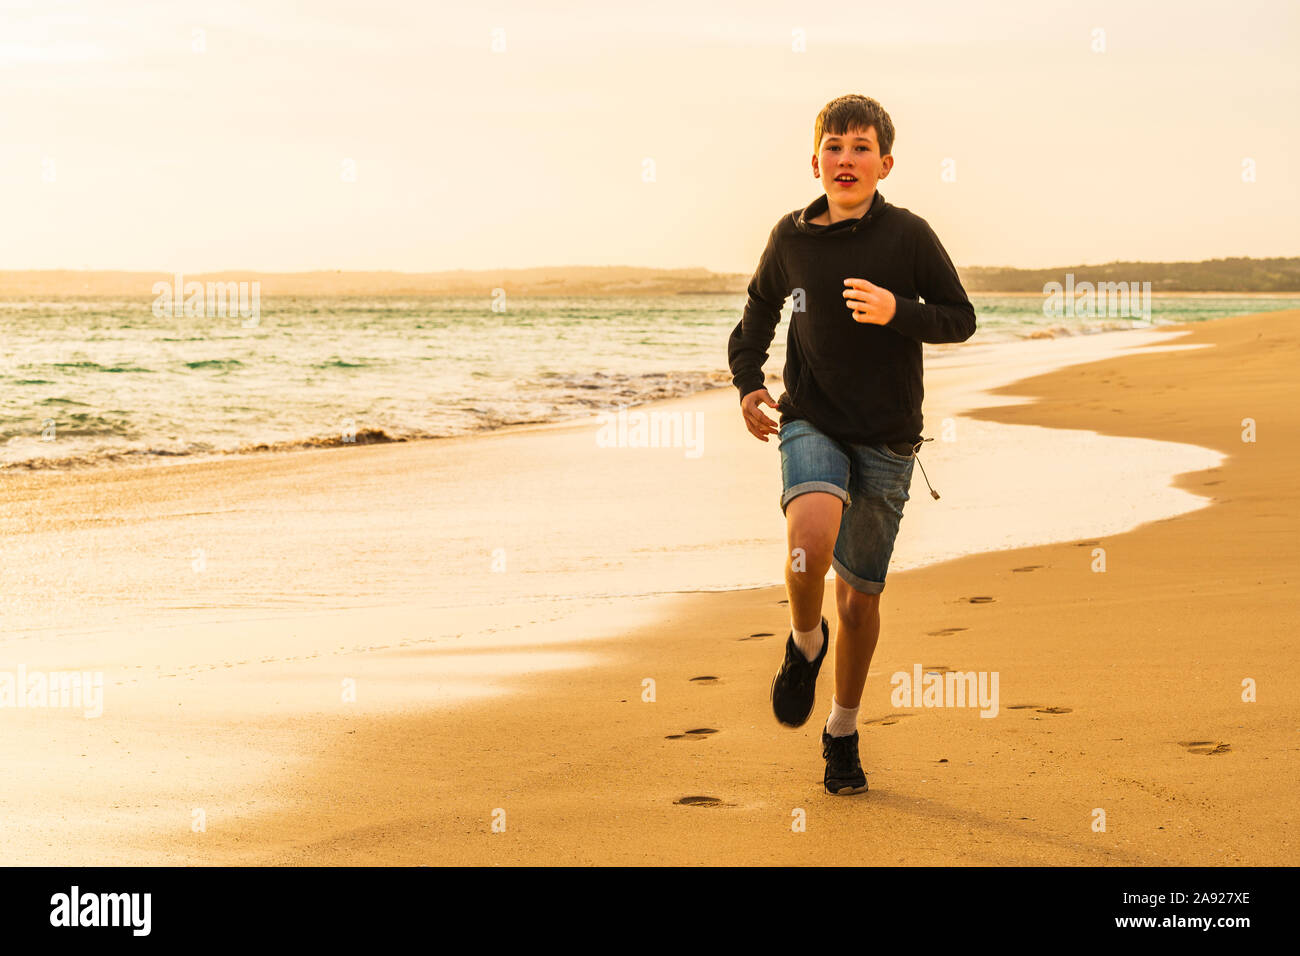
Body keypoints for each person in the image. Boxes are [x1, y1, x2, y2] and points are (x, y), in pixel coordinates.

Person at [726, 93, 977, 794]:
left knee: (860, 601)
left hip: (889, 438)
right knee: (808, 541)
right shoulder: (791, 238)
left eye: (861, 147)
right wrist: (748, 381)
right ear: (816, 161)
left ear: (884, 164)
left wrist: (900, 311)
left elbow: (960, 318)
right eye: (834, 147)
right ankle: (805, 644)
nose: (847, 158)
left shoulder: (909, 237)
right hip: (812, 417)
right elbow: (759, 308)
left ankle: (841, 730)